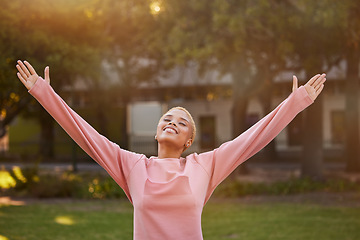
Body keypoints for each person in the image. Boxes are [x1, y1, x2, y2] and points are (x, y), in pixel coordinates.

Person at [16, 60, 326, 240]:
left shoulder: (205, 165)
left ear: (189, 141)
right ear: (156, 131)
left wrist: (295, 103)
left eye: (182, 122)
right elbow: (85, 135)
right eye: (167, 118)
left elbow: (253, 139)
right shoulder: (132, 165)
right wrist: (45, 94)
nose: (172, 123)